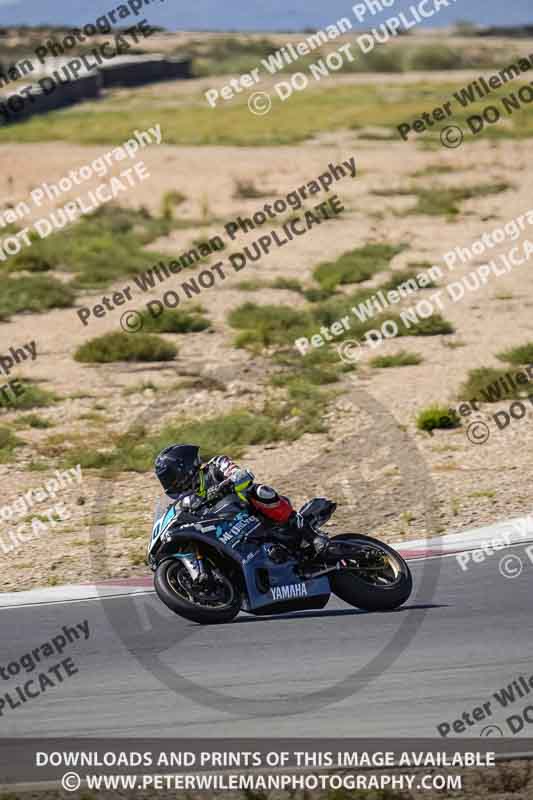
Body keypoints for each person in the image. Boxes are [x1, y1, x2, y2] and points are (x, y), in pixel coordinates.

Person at [154, 444, 328, 556]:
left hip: (251, 514)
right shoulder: (185, 500)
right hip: (226, 531)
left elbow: (241, 474)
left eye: (171, 476)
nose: (171, 483)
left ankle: (311, 535)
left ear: (183, 467)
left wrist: (226, 484)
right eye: (167, 479)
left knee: (259, 491)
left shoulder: (215, 466)